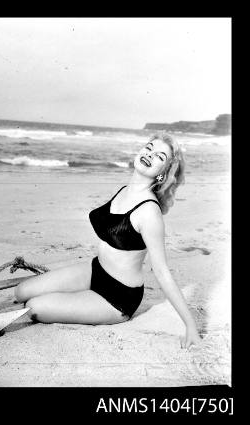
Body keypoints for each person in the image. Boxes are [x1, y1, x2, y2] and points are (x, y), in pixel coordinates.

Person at [15, 132, 202, 349]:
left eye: (160, 157)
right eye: (149, 148)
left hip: (117, 297)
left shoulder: (149, 212)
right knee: (21, 292)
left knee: (34, 307)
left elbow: (162, 272)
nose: (150, 155)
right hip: (96, 271)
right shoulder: (125, 190)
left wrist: (190, 326)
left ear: (163, 173)